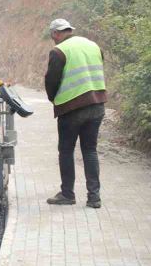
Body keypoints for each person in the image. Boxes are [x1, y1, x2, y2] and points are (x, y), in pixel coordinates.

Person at [44, 19, 107, 209]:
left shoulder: (59, 51)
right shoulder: (93, 45)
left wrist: (54, 98)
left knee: (66, 150)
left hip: (72, 108)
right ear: (70, 30)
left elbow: (51, 81)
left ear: (55, 33)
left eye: (52, 36)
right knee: (90, 150)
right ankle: (94, 198)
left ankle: (67, 194)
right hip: (97, 104)